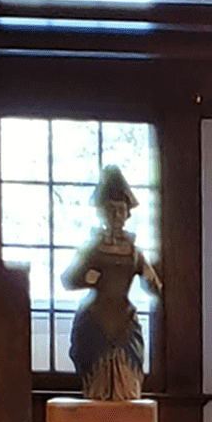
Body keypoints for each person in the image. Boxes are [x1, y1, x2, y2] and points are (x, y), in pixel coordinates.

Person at [64, 168, 158, 401]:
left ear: (127, 214)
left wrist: (151, 279)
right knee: (97, 387)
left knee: (128, 384)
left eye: (120, 210)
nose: (116, 215)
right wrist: (88, 279)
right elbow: (68, 279)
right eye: (110, 210)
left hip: (125, 323)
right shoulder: (92, 249)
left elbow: (154, 285)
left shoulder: (134, 252)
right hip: (95, 322)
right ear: (102, 213)